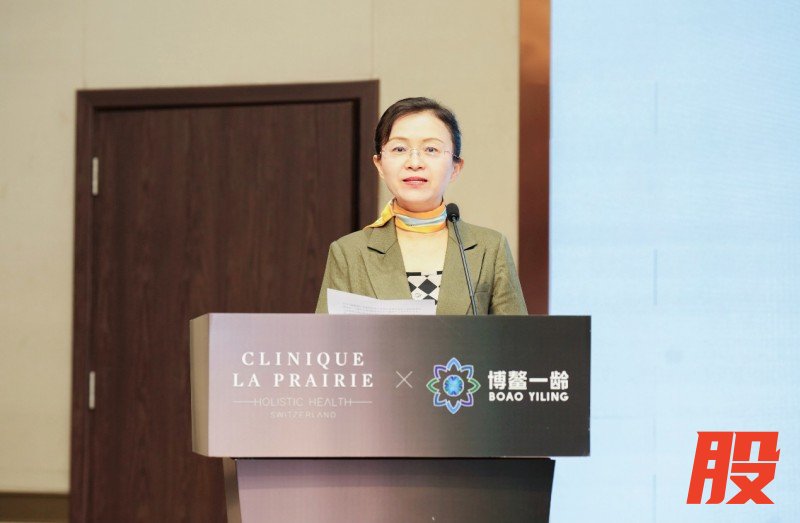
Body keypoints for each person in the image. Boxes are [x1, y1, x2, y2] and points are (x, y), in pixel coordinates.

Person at [315, 97, 527, 315]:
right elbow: (327, 336)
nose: (414, 163)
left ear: (455, 167)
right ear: (379, 164)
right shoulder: (349, 252)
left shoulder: (490, 248)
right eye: (399, 149)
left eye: (431, 149)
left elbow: (516, 335)